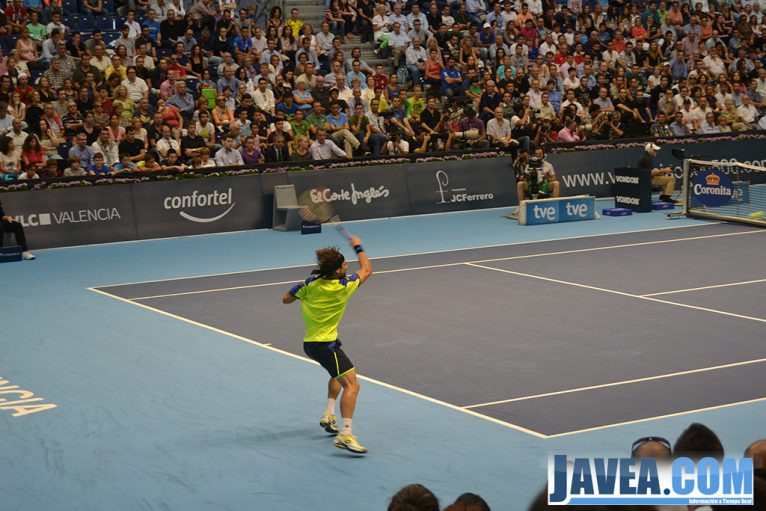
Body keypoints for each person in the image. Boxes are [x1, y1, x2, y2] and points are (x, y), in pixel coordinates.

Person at [282, 237, 373, 454]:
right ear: (338, 271)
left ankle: (329, 415)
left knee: (339, 375)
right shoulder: (344, 286)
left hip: (316, 342)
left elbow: (286, 299)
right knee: (353, 385)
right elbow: (367, 269)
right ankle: (346, 434)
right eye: (344, 265)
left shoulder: (309, 285)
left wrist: (300, 289)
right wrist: (357, 246)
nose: (347, 266)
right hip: (325, 346)